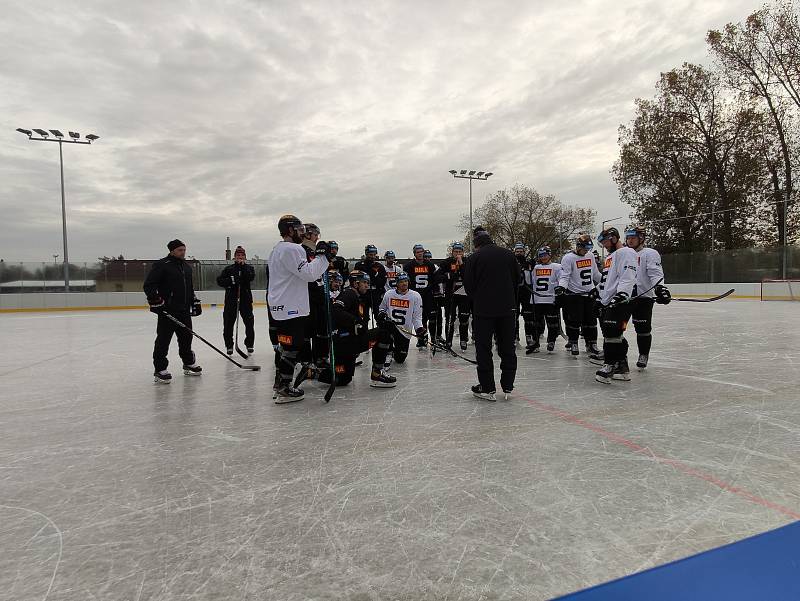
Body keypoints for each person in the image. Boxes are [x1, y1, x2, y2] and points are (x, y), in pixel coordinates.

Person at [267, 215, 331, 403]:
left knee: (290, 345)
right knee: (292, 346)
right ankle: (284, 388)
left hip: (282, 305)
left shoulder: (277, 249)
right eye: (299, 229)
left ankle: (281, 384)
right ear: (289, 230)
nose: (302, 233)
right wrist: (323, 256)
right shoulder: (292, 249)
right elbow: (310, 274)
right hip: (290, 306)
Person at [463, 227, 520, 401]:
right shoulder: (509, 255)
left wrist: (479, 299)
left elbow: (469, 286)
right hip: (507, 309)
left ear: (477, 244)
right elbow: (517, 279)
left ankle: (487, 387)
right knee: (507, 347)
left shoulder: (474, 258)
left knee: (484, 349)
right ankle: (508, 384)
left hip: (484, 310)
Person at [321, 271, 399, 387]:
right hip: (345, 342)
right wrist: (355, 321)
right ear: (356, 284)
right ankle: (377, 374)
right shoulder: (349, 294)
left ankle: (312, 373)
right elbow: (335, 310)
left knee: (343, 379)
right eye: (364, 283)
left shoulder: (356, 296)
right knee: (384, 333)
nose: (367, 286)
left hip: (344, 344)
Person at [143, 239, 203, 383]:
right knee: (163, 341)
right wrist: (157, 302)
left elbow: (189, 288)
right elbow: (149, 286)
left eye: (184, 250)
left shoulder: (186, 267)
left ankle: (188, 363)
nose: (183, 252)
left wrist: (194, 300)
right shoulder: (162, 265)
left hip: (184, 311)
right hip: (167, 311)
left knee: (186, 338)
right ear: (172, 251)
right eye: (180, 250)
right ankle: (160, 369)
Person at [593, 227, 638, 384]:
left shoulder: (627, 252)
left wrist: (623, 294)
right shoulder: (611, 257)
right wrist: (597, 292)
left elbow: (628, 275)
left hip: (621, 300)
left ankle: (609, 366)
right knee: (613, 333)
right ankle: (622, 368)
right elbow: (607, 280)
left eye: (605, 241)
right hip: (609, 300)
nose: (604, 245)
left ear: (613, 238)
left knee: (612, 332)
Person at [624, 226, 671, 369]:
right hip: (624, 297)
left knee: (642, 329)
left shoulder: (649, 254)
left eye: (633, 238)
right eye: (628, 238)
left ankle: (643, 354)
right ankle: (617, 355)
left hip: (643, 298)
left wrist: (659, 287)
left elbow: (655, 273)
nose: (630, 241)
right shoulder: (623, 253)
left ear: (641, 239)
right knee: (617, 327)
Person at [556, 234, 601, 358]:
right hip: (574, 294)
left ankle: (591, 344)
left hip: (589, 293)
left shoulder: (590, 256)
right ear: (578, 246)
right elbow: (565, 276)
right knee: (575, 320)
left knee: (591, 321)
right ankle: (574, 342)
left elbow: (595, 274)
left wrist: (606, 281)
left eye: (588, 248)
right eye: (584, 248)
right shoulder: (568, 258)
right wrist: (561, 287)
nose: (586, 251)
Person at [377, 272, 425, 365]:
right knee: (386, 328)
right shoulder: (389, 294)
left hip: (405, 331)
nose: (404, 283)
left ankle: (395, 351)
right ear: (397, 283)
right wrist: (382, 314)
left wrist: (419, 328)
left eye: (406, 281)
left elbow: (417, 316)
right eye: (402, 281)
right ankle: (388, 352)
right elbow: (382, 308)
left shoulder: (415, 296)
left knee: (400, 359)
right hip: (392, 326)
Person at [216, 245, 256, 355]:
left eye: (242, 255)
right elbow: (220, 281)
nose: (240, 257)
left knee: (249, 323)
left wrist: (242, 268)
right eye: (238, 255)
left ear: (245, 257)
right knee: (228, 324)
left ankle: (249, 344)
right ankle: (229, 345)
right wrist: (232, 280)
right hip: (231, 300)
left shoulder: (249, 268)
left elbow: (250, 277)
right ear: (234, 257)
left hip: (245, 300)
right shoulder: (228, 269)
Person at [436, 242, 471, 350]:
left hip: (464, 294)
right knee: (450, 318)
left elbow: (469, 276)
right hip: (451, 294)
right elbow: (438, 276)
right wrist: (449, 276)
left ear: (463, 252)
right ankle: (448, 340)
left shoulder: (467, 262)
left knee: (464, 317)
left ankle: (464, 339)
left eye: (460, 252)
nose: (458, 254)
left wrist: (461, 264)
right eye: (456, 252)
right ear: (452, 252)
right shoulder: (446, 262)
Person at [403, 244, 437, 348]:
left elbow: (435, 280)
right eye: (418, 252)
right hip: (416, 295)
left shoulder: (430, 265)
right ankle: (422, 339)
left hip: (428, 295)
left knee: (432, 318)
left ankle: (433, 339)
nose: (420, 253)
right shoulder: (409, 266)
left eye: (421, 251)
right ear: (414, 253)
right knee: (419, 319)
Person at [530, 246, 563, 353]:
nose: (543, 257)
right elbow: (530, 281)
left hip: (550, 299)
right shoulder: (535, 268)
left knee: (552, 323)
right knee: (536, 323)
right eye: (541, 256)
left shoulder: (557, 267)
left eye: (545, 255)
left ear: (549, 255)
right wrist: (527, 268)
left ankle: (551, 341)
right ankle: (535, 342)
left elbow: (562, 281)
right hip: (537, 299)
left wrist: (559, 295)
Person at [353, 244, 388, 318]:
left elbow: (383, 281)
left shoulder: (379, 266)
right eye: (370, 254)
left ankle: (381, 329)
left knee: (378, 316)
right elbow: (354, 279)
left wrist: (375, 278)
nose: (372, 256)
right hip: (363, 294)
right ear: (366, 254)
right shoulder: (359, 265)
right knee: (363, 316)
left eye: (374, 254)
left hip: (375, 294)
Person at [513, 243, 536, 351]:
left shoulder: (529, 263)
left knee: (528, 315)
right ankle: (515, 336)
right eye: (517, 252)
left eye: (521, 251)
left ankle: (529, 336)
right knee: (514, 315)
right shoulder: (511, 262)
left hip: (526, 291)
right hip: (515, 292)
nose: (519, 253)